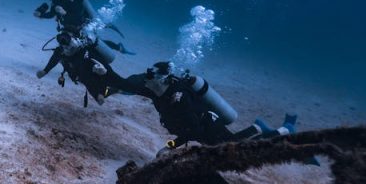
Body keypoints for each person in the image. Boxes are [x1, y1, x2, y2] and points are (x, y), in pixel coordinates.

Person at [124, 61, 297, 147]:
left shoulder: (179, 98)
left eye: (151, 76)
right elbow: (134, 84)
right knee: (232, 143)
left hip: (209, 125)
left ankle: (285, 129)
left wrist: (172, 146)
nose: (146, 79)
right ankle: (257, 128)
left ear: (162, 79)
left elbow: (193, 131)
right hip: (202, 127)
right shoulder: (158, 92)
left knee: (234, 147)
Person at [37, 31, 129, 106]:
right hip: (81, 74)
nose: (68, 44)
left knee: (110, 78)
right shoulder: (60, 51)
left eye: (68, 39)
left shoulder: (84, 47)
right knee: (89, 82)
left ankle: (122, 88)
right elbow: (54, 60)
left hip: (95, 67)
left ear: (74, 38)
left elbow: (101, 63)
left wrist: (102, 71)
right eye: (62, 41)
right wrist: (45, 71)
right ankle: (109, 92)